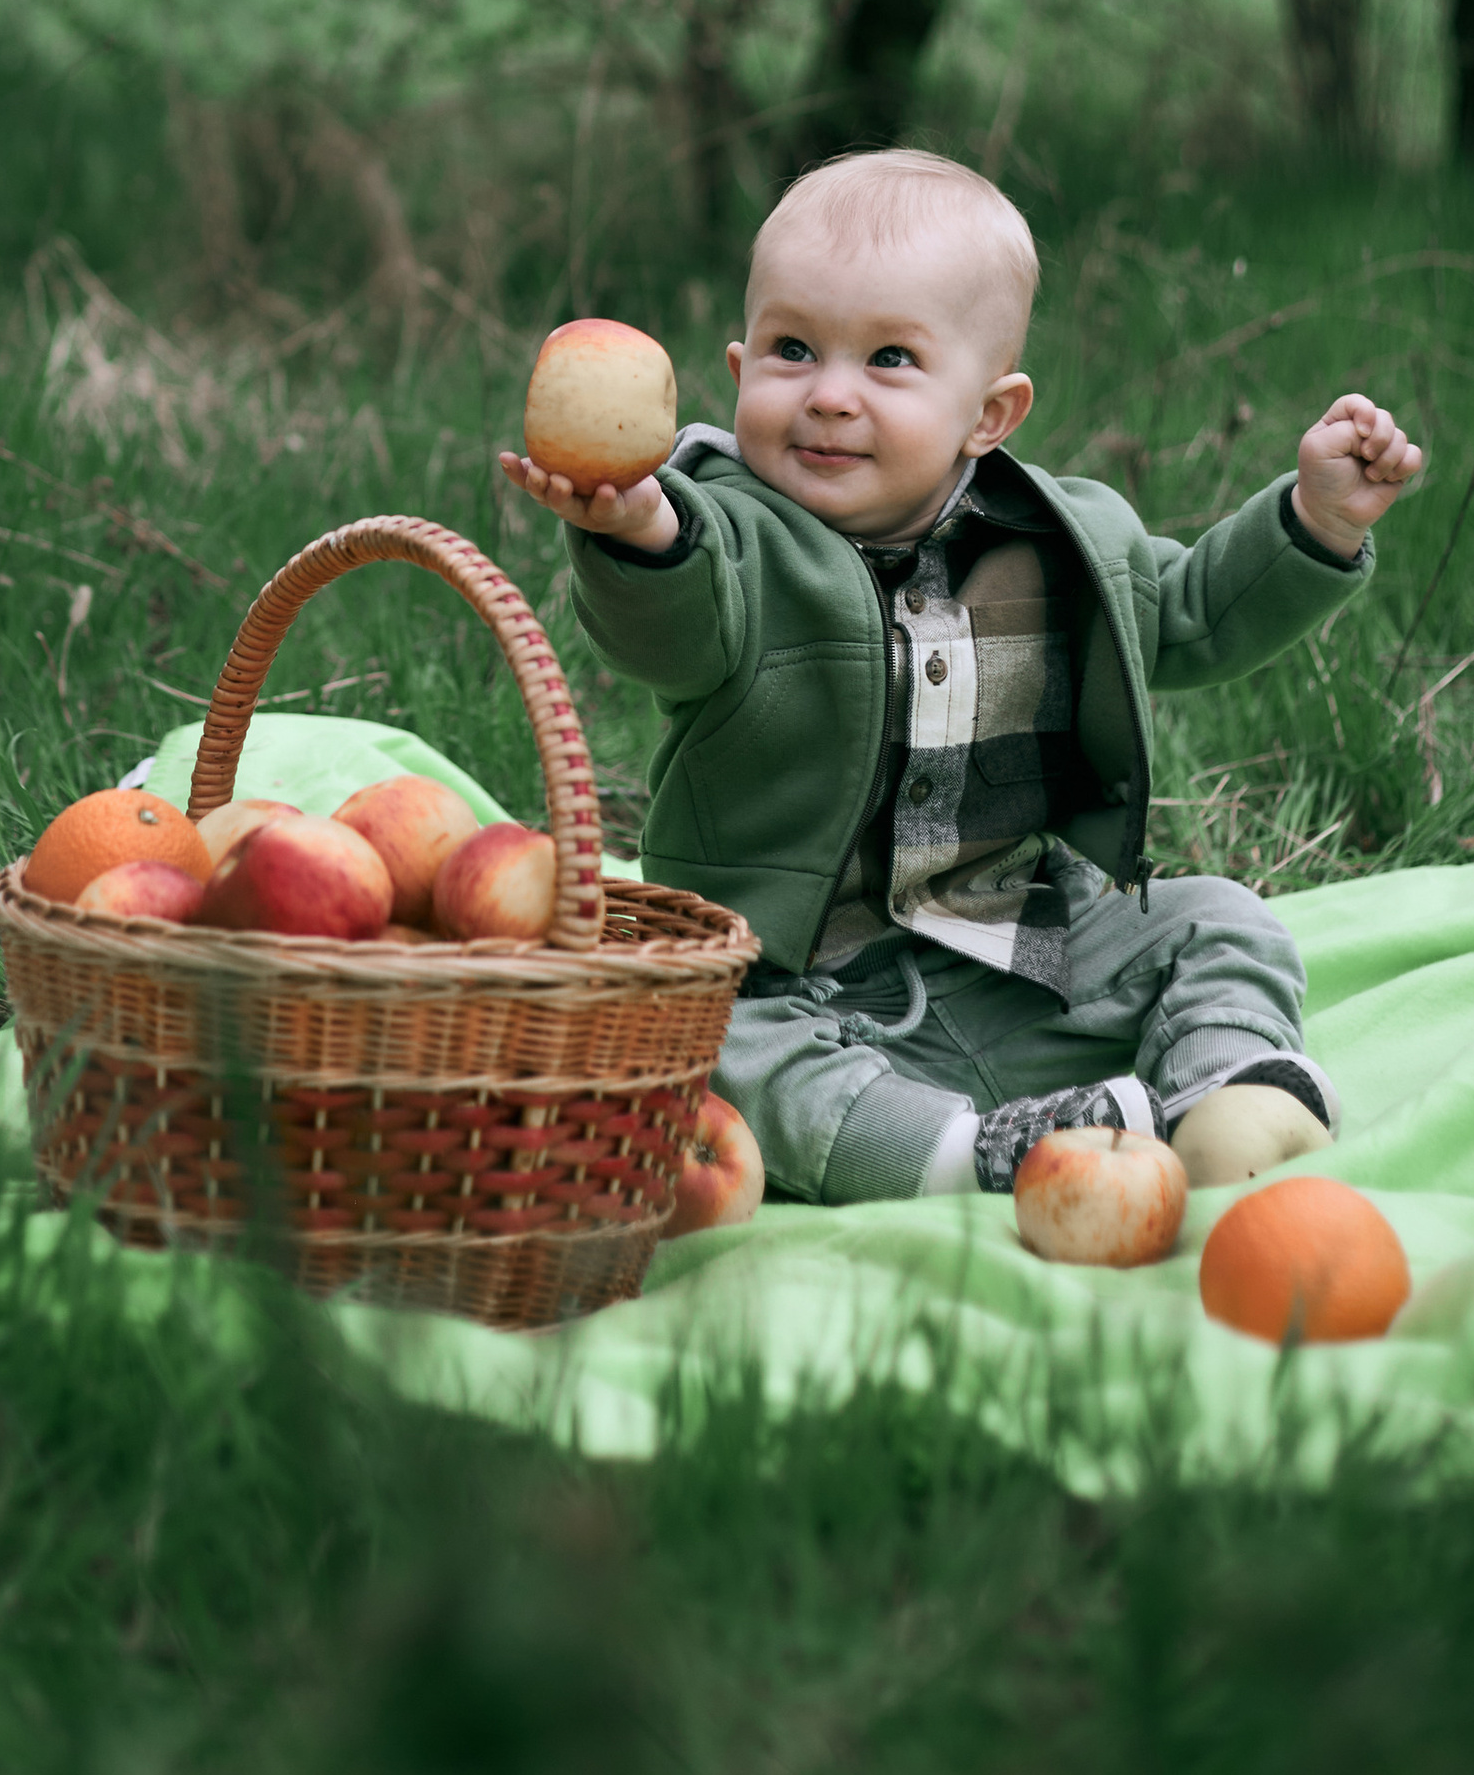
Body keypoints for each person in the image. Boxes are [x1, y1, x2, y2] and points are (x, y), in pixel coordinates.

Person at [499, 150, 1424, 1203]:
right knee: (694, 1040)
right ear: (740, 367)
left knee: (1220, 919)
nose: (829, 396)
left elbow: (1191, 615)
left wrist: (1313, 522)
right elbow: (671, 631)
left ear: (989, 415)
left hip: (1016, 945)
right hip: (792, 982)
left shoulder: (1059, 543)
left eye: (889, 359)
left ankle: (1226, 1089)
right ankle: (975, 1155)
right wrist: (637, 532)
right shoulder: (728, 539)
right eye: (792, 350)